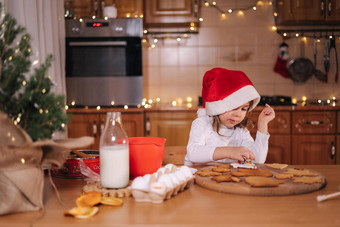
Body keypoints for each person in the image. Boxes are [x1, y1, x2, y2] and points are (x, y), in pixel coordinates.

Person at [185, 67, 275, 166]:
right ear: (218, 106)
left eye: (244, 109)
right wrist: (230, 152)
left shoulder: (241, 131)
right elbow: (193, 153)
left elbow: (257, 160)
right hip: (198, 177)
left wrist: (262, 124)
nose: (238, 114)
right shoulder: (202, 123)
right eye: (233, 107)